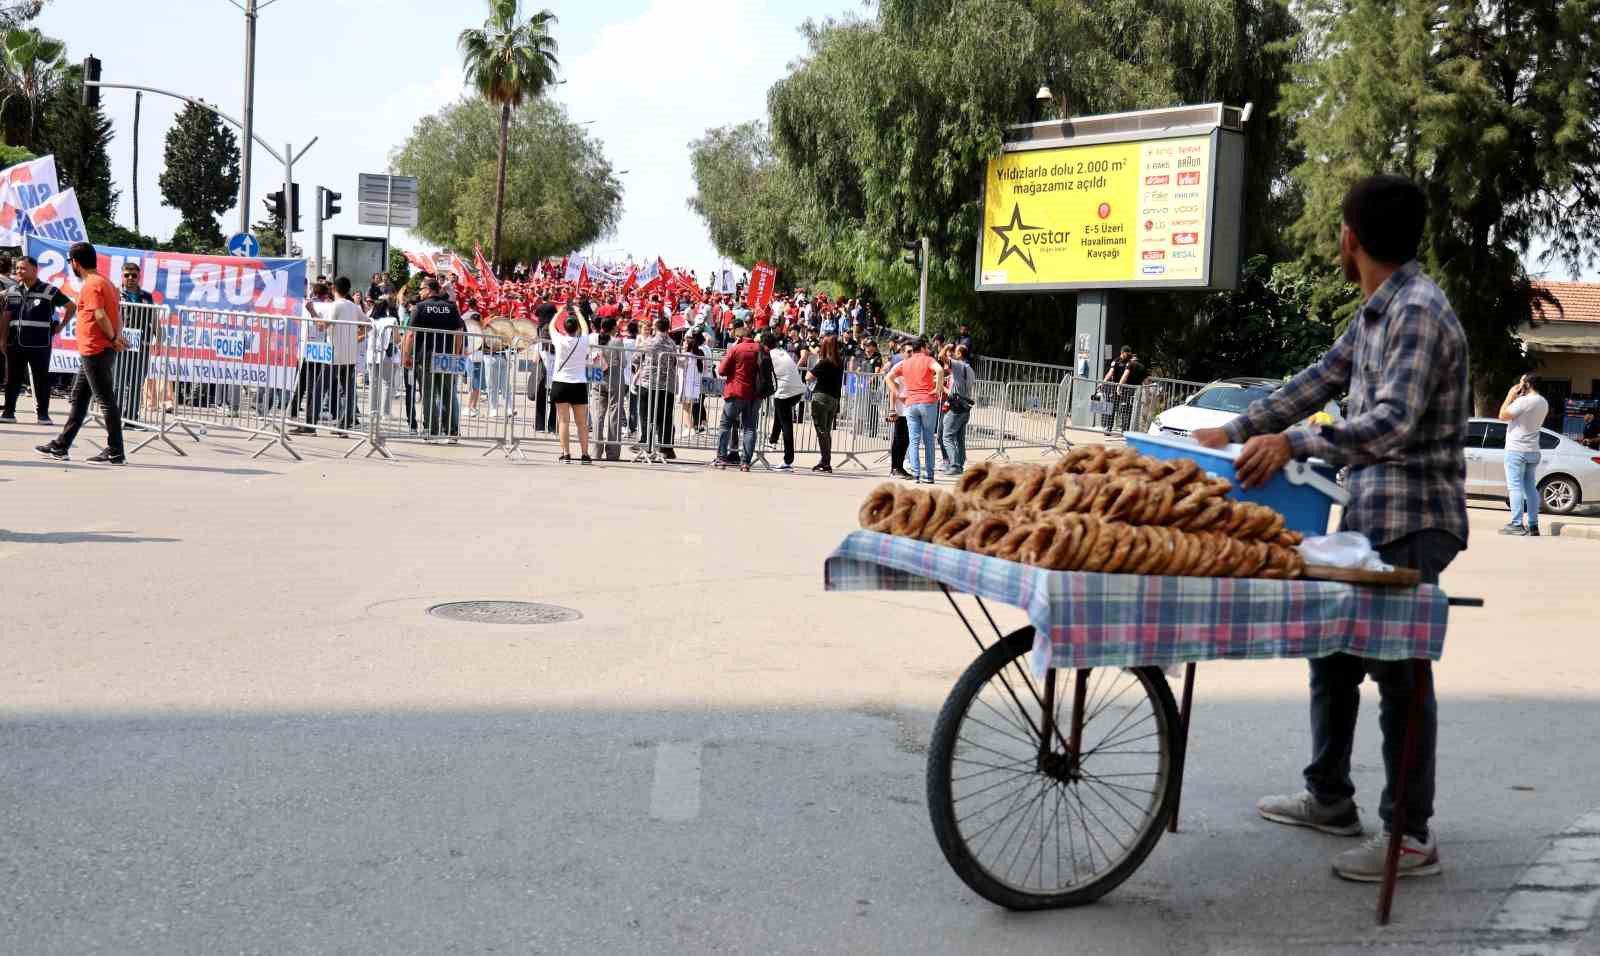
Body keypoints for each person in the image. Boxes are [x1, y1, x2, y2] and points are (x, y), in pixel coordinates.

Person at [1192, 174, 1470, 882]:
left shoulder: (1419, 312)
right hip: (1369, 513)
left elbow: (1391, 423)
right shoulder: (1377, 312)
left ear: (1351, 239)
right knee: (1336, 654)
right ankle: (1329, 798)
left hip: (1416, 519)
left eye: (1337, 233)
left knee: (1401, 675)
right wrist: (1235, 428)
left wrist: (1296, 444)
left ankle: (1410, 835)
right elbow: (1318, 379)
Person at [38, 241, 126, 463]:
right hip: (96, 349)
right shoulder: (106, 282)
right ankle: (61, 445)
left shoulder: (92, 284)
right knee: (79, 398)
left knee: (105, 400)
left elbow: (99, 315)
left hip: (96, 349)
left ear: (75, 263)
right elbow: (116, 314)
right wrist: (116, 336)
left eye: (70, 262)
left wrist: (114, 338)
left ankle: (116, 451)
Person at [1, 255, 74, 424]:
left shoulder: (49, 291)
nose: (19, 271)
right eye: (17, 268)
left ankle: (43, 415)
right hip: (15, 343)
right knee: (12, 379)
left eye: (23, 268)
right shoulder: (11, 291)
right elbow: (6, 316)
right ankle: (8, 413)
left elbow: (71, 307)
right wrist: (2, 339)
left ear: (35, 270)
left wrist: (61, 326)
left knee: (41, 379)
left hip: (39, 344)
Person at [404, 278, 465, 443]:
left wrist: (406, 356)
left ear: (429, 289)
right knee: (448, 394)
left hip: (426, 357)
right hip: (446, 357)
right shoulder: (451, 307)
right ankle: (452, 431)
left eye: (421, 289)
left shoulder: (420, 307)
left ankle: (431, 430)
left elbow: (410, 334)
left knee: (429, 394)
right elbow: (459, 333)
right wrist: (456, 354)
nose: (420, 292)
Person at [883, 337, 944, 484]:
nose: (929, 349)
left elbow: (888, 377)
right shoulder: (928, 359)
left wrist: (899, 396)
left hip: (910, 404)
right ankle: (929, 475)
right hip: (927, 402)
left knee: (914, 440)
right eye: (927, 347)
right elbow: (940, 370)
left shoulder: (905, 363)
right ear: (923, 347)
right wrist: (937, 389)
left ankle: (916, 474)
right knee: (929, 439)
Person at [1497, 374, 1549, 536]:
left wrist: (1510, 396)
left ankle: (1517, 523)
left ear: (1527, 384)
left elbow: (1502, 416)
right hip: (1533, 450)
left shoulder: (1524, 401)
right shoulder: (1543, 402)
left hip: (1516, 449)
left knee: (1515, 487)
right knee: (1530, 487)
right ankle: (1533, 525)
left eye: (1521, 382)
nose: (1519, 385)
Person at [714, 320, 761, 471]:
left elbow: (722, 370)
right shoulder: (760, 349)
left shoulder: (736, 349)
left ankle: (721, 458)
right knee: (749, 428)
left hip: (736, 391)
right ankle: (746, 462)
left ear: (738, 336)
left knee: (726, 424)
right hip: (754, 394)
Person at [548, 303, 592, 463]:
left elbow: (551, 326)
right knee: (582, 423)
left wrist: (559, 312)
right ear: (577, 328)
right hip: (579, 383)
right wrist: (579, 312)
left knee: (563, 421)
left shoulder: (559, 340)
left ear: (565, 328)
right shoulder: (583, 340)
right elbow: (586, 328)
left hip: (561, 383)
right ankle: (585, 454)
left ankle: (565, 453)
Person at [115, 261, 156, 424]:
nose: (131, 278)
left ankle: (132, 417)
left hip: (142, 345)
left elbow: (154, 317)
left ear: (139, 276)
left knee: (136, 382)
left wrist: (158, 339)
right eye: (127, 275)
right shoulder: (115, 294)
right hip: (120, 344)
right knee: (119, 381)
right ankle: (115, 417)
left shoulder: (147, 296)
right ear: (122, 276)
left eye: (134, 275)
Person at [321, 277, 364, 431]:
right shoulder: (354, 307)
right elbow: (368, 324)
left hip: (334, 355)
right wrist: (359, 336)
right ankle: (344, 424)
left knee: (320, 388)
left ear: (334, 289)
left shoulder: (336, 306)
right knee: (348, 392)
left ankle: (310, 424)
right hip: (349, 356)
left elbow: (324, 326)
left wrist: (312, 312)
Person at [634, 316, 677, 461]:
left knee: (646, 415)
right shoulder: (672, 343)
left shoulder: (650, 342)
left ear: (656, 327)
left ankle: (646, 445)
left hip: (649, 383)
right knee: (664, 418)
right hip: (667, 385)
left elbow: (635, 358)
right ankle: (666, 448)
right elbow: (675, 362)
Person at [765, 332, 805, 471]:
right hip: (797, 390)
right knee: (780, 414)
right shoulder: (782, 352)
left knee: (786, 425)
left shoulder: (769, 355)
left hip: (785, 392)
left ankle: (788, 460)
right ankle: (773, 441)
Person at [806, 334, 845, 474]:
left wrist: (816, 362)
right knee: (826, 431)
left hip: (822, 397)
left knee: (821, 430)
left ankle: (825, 461)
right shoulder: (840, 363)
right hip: (834, 399)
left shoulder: (824, 362)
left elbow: (808, 377)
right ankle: (825, 460)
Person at [940, 344, 974, 475]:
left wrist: (947, 346)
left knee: (947, 436)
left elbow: (941, 356)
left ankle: (954, 465)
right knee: (960, 437)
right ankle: (960, 464)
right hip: (965, 407)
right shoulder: (969, 369)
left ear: (960, 354)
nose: (953, 353)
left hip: (956, 407)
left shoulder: (958, 366)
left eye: (955, 351)